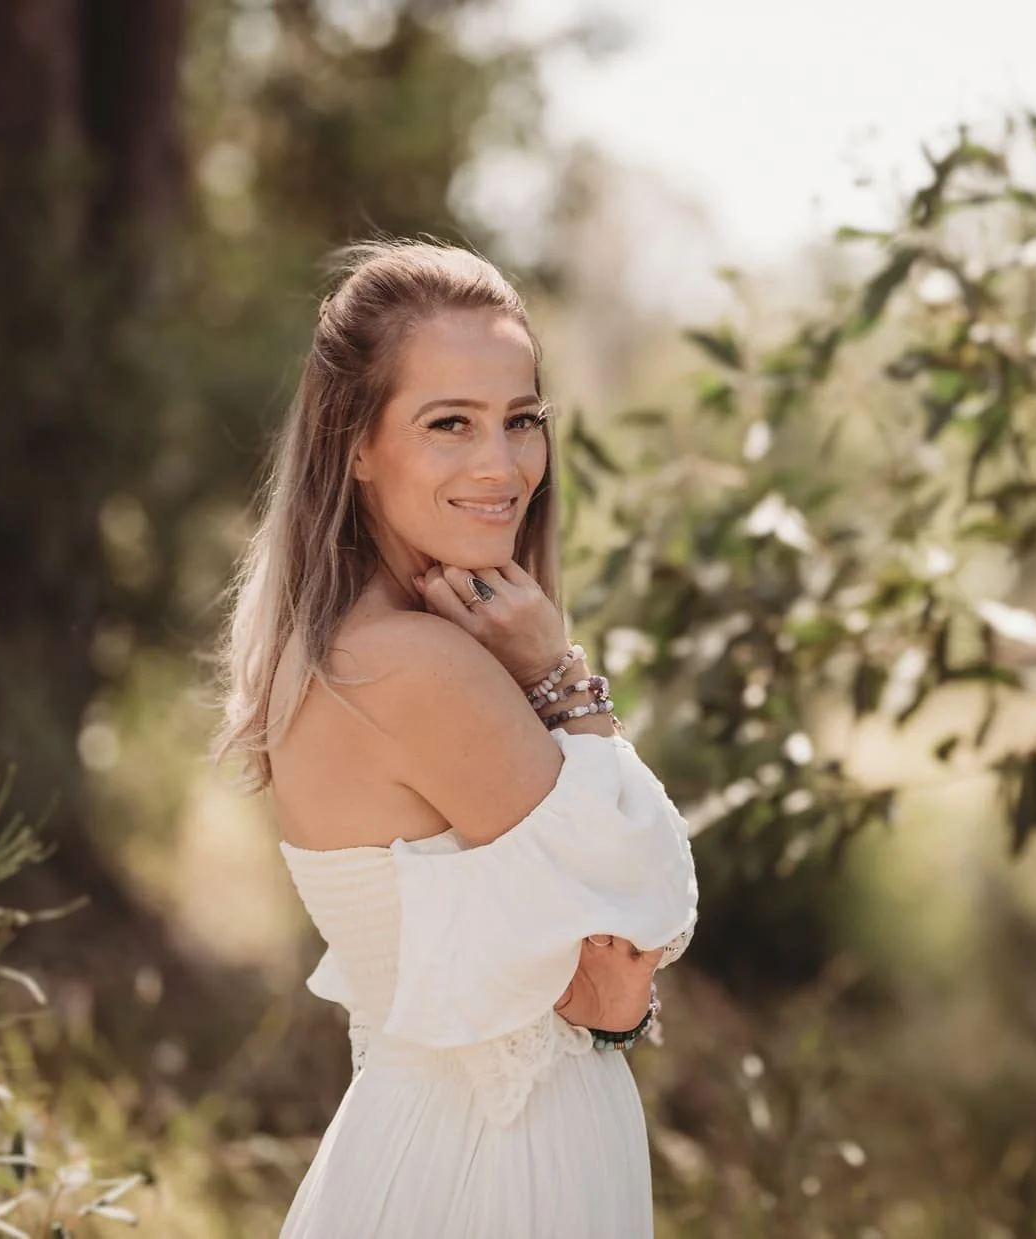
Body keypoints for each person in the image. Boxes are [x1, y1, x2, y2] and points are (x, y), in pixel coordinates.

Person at [209, 239, 701, 1235]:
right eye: (449, 423)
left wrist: (610, 998)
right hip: (496, 1166)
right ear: (355, 445)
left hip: (437, 1145)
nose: (500, 464)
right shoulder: (411, 666)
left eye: (522, 419)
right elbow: (642, 899)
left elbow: (606, 973)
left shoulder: (350, 646)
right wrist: (560, 673)